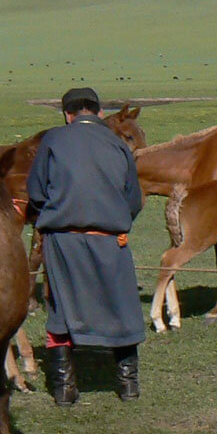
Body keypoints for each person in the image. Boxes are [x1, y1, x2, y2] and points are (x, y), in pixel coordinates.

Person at [25, 87, 145, 405]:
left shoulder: (53, 139)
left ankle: (65, 390)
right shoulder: (118, 145)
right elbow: (133, 199)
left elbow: (36, 192)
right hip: (110, 240)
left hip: (63, 240)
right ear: (100, 112)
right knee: (122, 307)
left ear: (67, 114)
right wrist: (114, 220)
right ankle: (128, 385)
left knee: (62, 311)